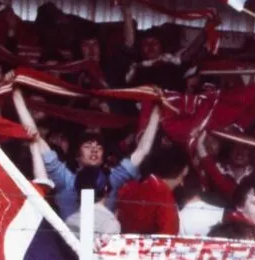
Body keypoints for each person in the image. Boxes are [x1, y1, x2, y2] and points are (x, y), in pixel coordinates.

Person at [13, 91, 159, 219]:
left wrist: (157, 110)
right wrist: (16, 96)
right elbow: (36, 138)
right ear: (77, 155)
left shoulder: (113, 179)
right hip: (68, 248)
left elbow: (142, 150)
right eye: (88, 146)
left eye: (99, 147)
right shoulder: (65, 180)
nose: (94, 150)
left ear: (103, 157)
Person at [114, 145, 188, 235]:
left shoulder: (128, 187)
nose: (182, 183)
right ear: (176, 173)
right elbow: (169, 237)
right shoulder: (165, 198)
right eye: (182, 177)